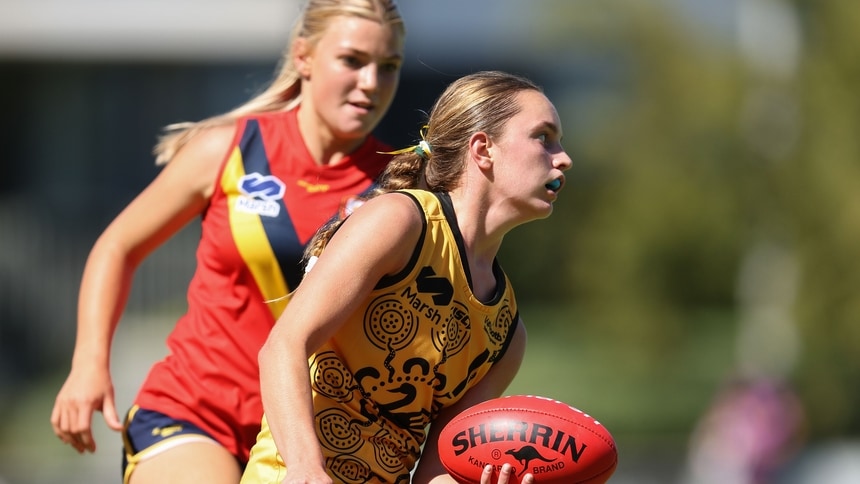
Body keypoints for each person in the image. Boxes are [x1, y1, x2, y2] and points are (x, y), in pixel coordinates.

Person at [49, 1, 406, 482]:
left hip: (313, 439)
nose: (371, 83)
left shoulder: (400, 184)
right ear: (304, 57)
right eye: (352, 60)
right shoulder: (232, 149)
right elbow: (117, 247)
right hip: (194, 414)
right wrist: (88, 366)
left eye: (388, 67)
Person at [240, 70, 573, 484]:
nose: (563, 158)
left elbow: (432, 474)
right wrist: (306, 469)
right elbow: (283, 346)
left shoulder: (507, 333)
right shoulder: (400, 222)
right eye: (543, 137)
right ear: (483, 149)